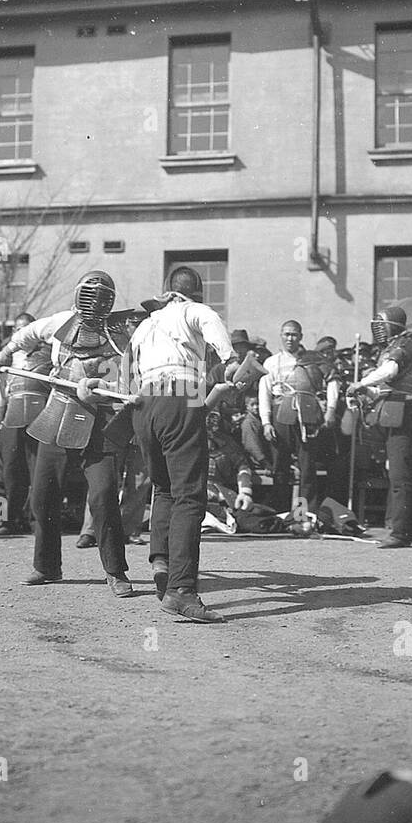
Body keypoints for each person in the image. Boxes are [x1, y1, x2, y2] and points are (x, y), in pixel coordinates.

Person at [0, 272, 133, 596]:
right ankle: (47, 565)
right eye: (89, 294)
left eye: (101, 296)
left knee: (103, 494)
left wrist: (103, 388)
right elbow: (26, 335)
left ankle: (115, 571)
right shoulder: (60, 322)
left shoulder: (120, 335)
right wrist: (1, 356)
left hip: (101, 419)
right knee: (43, 493)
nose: (94, 302)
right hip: (58, 412)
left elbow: (126, 379)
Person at [124, 265, 235, 622]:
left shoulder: (145, 325)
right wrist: (233, 365)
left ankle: (161, 561)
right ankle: (182, 590)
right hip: (181, 393)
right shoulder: (195, 311)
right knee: (189, 495)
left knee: (165, 489)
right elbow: (222, 346)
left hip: (143, 404)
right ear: (195, 293)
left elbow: (127, 373)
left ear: (168, 291)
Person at [346, 306, 412, 548]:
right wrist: (364, 391)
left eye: (382, 323)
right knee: (399, 472)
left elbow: (390, 372)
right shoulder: (390, 349)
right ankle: (407, 530)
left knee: (400, 474)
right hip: (392, 411)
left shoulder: (406, 346)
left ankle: (400, 533)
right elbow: (384, 389)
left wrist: (362, 381)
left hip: (405, 413)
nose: (378, 329)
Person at [259, 319, 339, 517]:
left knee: (307, 466)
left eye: (294, 334)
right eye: (286, 334)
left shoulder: (315, 359)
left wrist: (330, 409)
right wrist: (266, 422)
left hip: (308, 416)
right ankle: (281, 513)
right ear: (281, 336)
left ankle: (304, 513)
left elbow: (333, 382)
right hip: (280, 415)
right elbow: (264, 393)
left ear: (301, 337)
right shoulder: (271, 362)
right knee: (280, 466)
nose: (290, 338)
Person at [0, 311, 45, 538]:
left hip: (39, 416)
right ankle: (7, 520)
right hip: (11, 416)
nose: (21, 333)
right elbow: (0, 397)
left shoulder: (47, 356)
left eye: (26, 328)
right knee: (10, 471)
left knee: (38, 471)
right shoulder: (5, 360)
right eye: (17, 329)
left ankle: (39, 521)